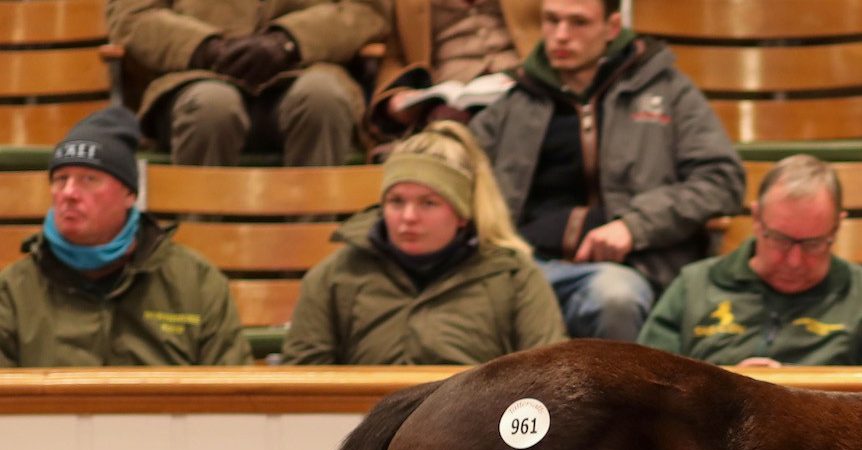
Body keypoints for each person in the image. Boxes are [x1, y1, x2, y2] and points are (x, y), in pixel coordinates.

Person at [471, 0, 744, 341]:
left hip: (628, 268)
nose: (560, 36)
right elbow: (457, 172)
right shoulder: (517, 99)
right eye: (551, 21)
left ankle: (622, 397)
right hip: (523, 265)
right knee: (468, 303)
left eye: (578, 23)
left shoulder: (665, 89)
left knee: (616, 297)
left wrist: (634, 226)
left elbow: (722, 179)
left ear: (612, 28)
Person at [282, 121, 566, 364]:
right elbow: (301, 382)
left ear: (462, 214)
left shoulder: (514, 276)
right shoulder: (334, 276)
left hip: (475, 425)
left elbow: (547, 379)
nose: (408, 217)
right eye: (396, 201)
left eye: (428, 203)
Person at [0, 107, 248, 367]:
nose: (69, 193)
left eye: (89, 179)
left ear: (130, 195)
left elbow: (237, 394)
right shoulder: (13, 292)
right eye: (61, 179)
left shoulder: (196, 283)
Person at [639, 156, 862, 368]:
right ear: (757, 219)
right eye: (780, 240)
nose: (795, 261)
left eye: (813, 244)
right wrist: (723, 393)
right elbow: (645, 389)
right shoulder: (695, 286)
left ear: (837, 227)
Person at [107, 0, 391, 167]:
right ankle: (200, 253)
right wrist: (205, 47)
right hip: (195, 77)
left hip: (304, 68)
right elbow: (132, 16)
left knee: (324, 99)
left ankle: (314, 255)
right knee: (211, 107)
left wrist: (290, 41)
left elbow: (367, 10)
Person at [368, 0, 539, 143]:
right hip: (449, 90)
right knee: (446, 123)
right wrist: (396, 96)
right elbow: (396, 55)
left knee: (528, 109)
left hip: (518, 73)